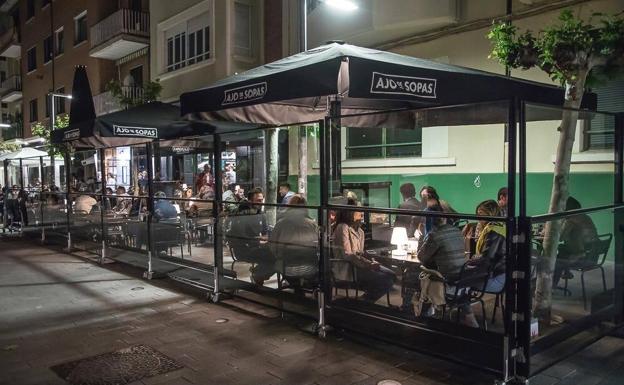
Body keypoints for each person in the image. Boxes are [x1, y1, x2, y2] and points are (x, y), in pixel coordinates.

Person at [402, 204, 467, 317]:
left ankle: (409, 311)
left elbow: (421, 257)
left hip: (445, 281)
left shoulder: (434, 235)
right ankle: (427, 310)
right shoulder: (457, 231)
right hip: (461, 279)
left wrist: (422, 236)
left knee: (409, 274)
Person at [332, 198, 395, 303]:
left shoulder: (360, 231)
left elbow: (360, 253)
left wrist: (372, 261)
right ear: (349, 212)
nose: (360, 211)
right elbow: (348, 255)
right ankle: (366, 300)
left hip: (360, 265)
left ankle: (366, 299)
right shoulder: (342, 227)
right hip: (350, 269)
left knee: (391, 275)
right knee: (386, 278)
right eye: (357, 209)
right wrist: (369, 264)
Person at [270, 195, 319, 291]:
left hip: (287, 268)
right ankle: (304, 285)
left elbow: (272, 246)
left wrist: (279, 256)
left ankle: (295, 285)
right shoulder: (312, 224)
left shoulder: (281, 223)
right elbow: (318, 245)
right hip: (310, 268)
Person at [226, 188, 274, 285]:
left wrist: (268, 238)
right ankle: (258, 274)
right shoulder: (242, 214)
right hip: (243, 249)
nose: (261, 203)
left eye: (262, 200)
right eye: (258, 200)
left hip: (257, 246)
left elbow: (265, 231)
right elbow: (240, 236)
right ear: (250, 201)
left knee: (279, 253)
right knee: (274, 256)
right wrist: (259, 241)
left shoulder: (260, 213)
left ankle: (258, 273)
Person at [552, 197, 599, 288]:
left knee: (553, 261)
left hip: (582, 259)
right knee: (562, 249)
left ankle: (551, 286)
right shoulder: (585, 217)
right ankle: (566, 272)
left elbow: (560, 237)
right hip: (593, 256)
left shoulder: (571, 221)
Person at [473, 200, 506, 293]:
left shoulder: (493, 231)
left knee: (460, 282)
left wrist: (473, 260)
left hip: (495, 279)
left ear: (490, 214)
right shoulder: (501, 226)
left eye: (481, 214)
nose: (478, 217)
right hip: (503, 276)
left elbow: (487, 260)